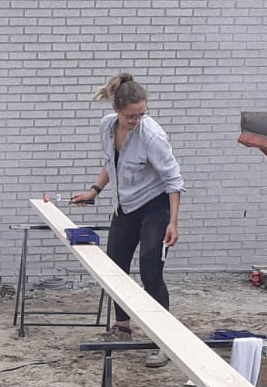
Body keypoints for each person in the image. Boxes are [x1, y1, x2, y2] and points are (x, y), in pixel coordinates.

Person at [69, 73, 185, 368]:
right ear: (117, 110)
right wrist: (94, 191)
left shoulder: (152, 136)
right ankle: (122, 328)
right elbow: (112, 163)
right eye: (131, 116)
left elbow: (174, 181)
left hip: (156, 207)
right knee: (114, 269)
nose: (137, 120)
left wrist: (173, 223)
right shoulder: (107, 127)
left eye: (142, 114)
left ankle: (165, 343)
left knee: (150, 270)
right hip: (126, 207)